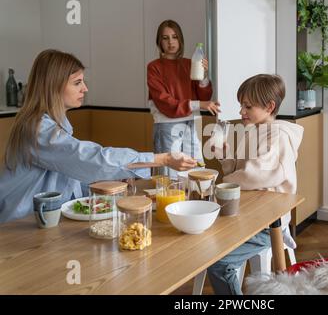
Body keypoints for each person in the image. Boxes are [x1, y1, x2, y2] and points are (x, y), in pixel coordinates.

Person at [0, 49, 197, 223]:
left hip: (43, 222)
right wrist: (162, 159)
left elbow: (72, 175)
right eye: (77, 83)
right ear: (53, 86)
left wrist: (114, 176)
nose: (84, 88)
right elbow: (89, 158)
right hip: (17, 229)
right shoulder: (37, 129)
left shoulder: (57, 125)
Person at [206, 74, 304, 295]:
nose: (241, 112)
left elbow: (256, 175)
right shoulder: (254, 132)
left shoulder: (278, 136)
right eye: (241, 105)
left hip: (268, 224)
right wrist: (225, 155)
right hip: (249, 215)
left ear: (269, 107)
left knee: (219, 263)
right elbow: (241, 173)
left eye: (247, 106)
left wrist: (225, 183)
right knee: (206, 243)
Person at [147, 19, 220, 178]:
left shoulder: (190, 64)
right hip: (167, 124)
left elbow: (204, 96)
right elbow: (165, 102)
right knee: (168, 175)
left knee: (194, 168)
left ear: (180, 39)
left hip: (192, 122)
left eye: (174, 37)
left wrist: (203, 76)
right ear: (159, 41)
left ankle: (195, 202)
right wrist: (199, 104)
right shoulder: (154, 67)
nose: (171, 42)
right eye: (165, 38)